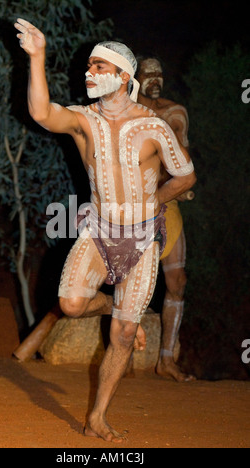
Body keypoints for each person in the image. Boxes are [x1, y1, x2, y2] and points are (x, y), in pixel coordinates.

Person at [14, 18, 196, 442]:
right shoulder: (83, 121)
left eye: (99, 67)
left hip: (142, 240)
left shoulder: (154, 127)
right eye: (89, 67)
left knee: (124, 333)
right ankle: (112, 309)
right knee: (72, 303)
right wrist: (37, 56)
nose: (89, 73)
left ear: (123, 77)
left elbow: (185, 175)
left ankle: (97, 416)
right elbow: (41, 112)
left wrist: (158, 199)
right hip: (99, 232)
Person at [137, 57, 196, 382]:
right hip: (133, 207)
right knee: (125, 278)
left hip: (167, 203)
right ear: (137, 77)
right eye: (149, 74)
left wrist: (179, 187)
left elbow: (181, 155)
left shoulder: (175, 113)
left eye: (160, 73)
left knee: (177, 281)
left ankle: (166, 358)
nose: (155, 79)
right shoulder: (127, 110)